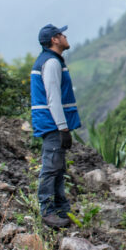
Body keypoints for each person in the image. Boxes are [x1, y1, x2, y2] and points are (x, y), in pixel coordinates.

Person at [30, 24, 82, 229]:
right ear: (54, 40)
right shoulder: (51, 62)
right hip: (53, 124)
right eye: (61, 34)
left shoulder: (51, 61)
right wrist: (63, 128)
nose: (65, 36)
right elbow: (53, 99)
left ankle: (62, 210)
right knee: (51, 168)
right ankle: (48, 211)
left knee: (59, 168)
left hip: (53, 123)